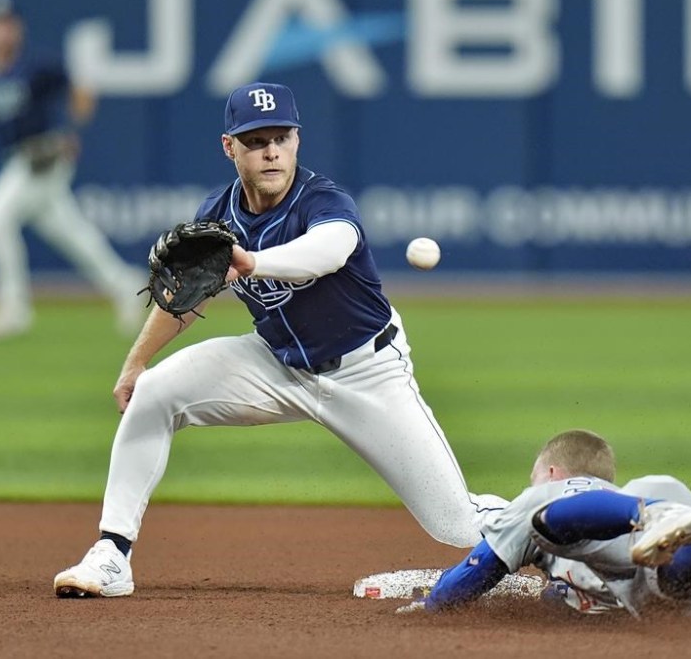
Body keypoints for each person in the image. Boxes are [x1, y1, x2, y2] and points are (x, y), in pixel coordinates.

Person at [52, 81, 501, 598]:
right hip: (277, 365)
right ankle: (111, 555)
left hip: (366, 373)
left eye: (280, 137)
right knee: (154, 393)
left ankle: (576, 534)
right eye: (255, 139)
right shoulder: (217, 217)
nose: (270, 151)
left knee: (456, 523)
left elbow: (328, 250)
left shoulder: (323, 200)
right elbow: (185, 299)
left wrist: (252, 264)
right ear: (229, 147)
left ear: (297, 141)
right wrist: (134, 363)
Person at [397, 429, 691, 617]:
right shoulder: (620, 493)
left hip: (647, 537)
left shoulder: (544, 493)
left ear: (553, 471)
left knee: (540, 518)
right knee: (672, 584)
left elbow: (475, 572)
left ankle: (659, 515)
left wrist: (432, 604)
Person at [0, 0, 144, 339]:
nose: (0, 31)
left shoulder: (36, 64)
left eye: (6, 24)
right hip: (16, 159)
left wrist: (73, 129)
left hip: (42, 158)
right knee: (73, 235)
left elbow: (80, 88)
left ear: (17, 28)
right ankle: (127, 286)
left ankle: (14, 307)